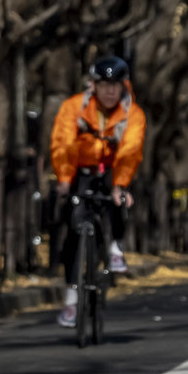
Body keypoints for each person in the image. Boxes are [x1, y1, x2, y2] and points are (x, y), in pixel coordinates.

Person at [49, 55, 146, 326]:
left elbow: (130, 150)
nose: (110, 91)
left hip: (113, 170)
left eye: (115, 85)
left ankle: (115, 247)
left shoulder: (133, 113)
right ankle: (71, 298)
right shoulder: (74, 107)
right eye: (104, 85)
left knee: (120, 200)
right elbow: (63, 143)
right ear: (93, 85)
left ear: (124, 85)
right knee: (73, 224)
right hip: (80, 170)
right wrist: (64, 178)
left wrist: (120, 185)